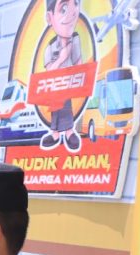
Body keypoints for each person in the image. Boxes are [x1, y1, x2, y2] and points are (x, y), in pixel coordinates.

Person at [41, 0, 85, 152]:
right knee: (55, 108)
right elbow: (49, 72)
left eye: (76, 5)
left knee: (66, 106)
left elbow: (79, 64)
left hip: (69, 84)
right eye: (64, 8)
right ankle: (54, 133)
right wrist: (61, 58)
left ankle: (68, 132)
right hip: (55, 87)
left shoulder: (76, 40)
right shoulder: (50, 47)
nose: (72, 13)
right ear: (50, 17)